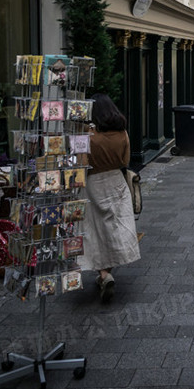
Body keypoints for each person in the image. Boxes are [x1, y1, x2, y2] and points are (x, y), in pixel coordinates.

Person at [77, 94, 140, 303]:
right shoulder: (122, 133)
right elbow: (126, 160)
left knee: (95, 231)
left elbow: (82, 162)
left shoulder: (88, 135)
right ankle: (106, 272)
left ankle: (103, 274)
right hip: (116, 182)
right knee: (117, 229)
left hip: (94, 183)